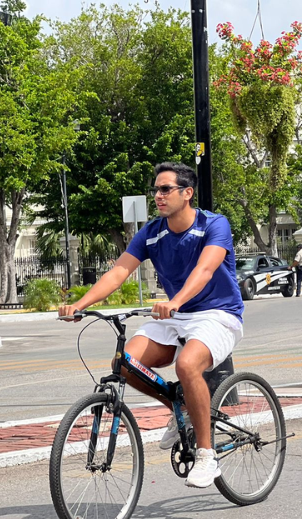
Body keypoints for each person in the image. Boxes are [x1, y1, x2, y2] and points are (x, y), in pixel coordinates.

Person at [59, 161, 244, 488]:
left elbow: (204, 270)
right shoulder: (152, 233)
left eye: (165, 189)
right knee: (125, 363)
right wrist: (79, 304)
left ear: (187, 193)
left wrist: (175, 301)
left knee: (188, 366)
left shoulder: (213, 225)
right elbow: (118, 272)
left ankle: (206, 455)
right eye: (155, 190)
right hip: (175, 316)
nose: (158, 196)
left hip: (217, 314)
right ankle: (181, 408)